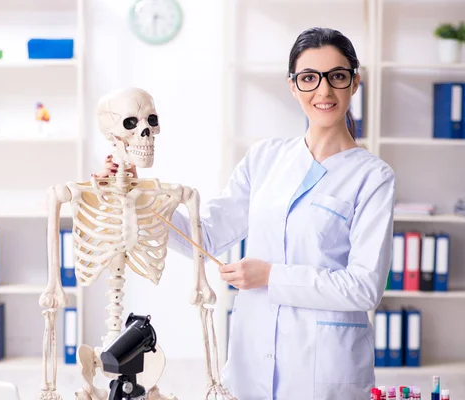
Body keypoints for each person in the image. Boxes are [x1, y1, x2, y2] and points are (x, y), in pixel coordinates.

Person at [95, 27, 395, 400]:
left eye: (337, 76)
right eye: (308, 78)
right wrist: (136, 193)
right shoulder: (265, 158)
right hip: (251, 358)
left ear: (354, 83)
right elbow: (203, 237)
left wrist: (272, 276)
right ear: (293, 86)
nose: (323, 91)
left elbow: (365, 288)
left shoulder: (373, 177)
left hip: (325, 368)